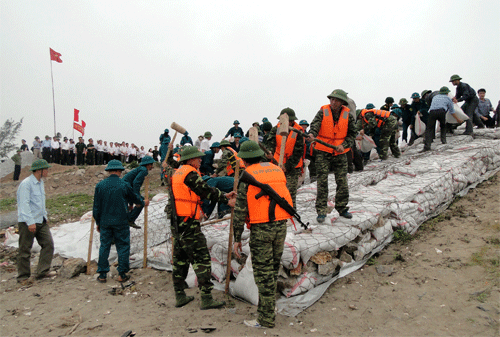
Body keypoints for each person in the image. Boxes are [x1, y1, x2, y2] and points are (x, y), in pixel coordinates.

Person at [232, 140, 292, 328]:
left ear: (245, 159)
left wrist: (236, 238)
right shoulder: (276, 169)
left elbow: (240, 210)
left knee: (263, 274)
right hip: (281, 226)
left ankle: (265, 319)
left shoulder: (248, 176)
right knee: (272, 269)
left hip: (262, 229)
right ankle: (269, 307)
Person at [169, 146, 236, 309]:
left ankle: (180, 295)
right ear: (190, 159)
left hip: (177, 222)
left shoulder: (177, 173)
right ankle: (206, 298)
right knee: (202, 259)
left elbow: (198, 192)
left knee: (180, 260)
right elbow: (205, 191)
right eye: (198, 158)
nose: (201, 160)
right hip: (188, 223)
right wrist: (226, 201)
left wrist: (222, 194)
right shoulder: (189, 173)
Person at [308, 89, 356, 222]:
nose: (333, 102)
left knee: (342, 182)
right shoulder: (323, 112)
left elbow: (352, 134)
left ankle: (342, 208)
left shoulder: (348, 116)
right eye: (332, 99)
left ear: (342, 102)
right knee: (322, 182)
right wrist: (312, 134)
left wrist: (344, 145)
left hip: (340, 153)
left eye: (336, 100)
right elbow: (315, 125)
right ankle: (321, 211)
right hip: (323, 152)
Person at [93, 160, 144, 283]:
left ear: (109, 171)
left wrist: (98, 222)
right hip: (121, 222)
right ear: (118, 171)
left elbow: (96, 207)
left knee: (104, 246)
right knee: (122, 246)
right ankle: (122, 274)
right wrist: (142, 202)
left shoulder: (100, 186)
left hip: (105, 222)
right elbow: (135, 198)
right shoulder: (124, 185)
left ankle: (102, 274)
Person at [16, 159, 54, 283]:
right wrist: (30, 222)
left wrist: (45, 217)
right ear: (39, 170)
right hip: (28, 222)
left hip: (41, 220)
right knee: (25, 249)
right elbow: (24, 204)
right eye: (46, 169)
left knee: (48, 244)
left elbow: (40, 203)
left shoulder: (40, 183)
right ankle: (23, 277)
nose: (47, 171)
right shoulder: (26, 184)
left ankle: (42, 272)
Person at [266, 108, 305, 208]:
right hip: (277, 164)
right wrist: (269, 152)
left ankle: (291, 212)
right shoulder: (276, 129)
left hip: (293, 165)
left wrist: (287, 166)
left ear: (292, 121)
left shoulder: (298, 131)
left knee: (290, 191)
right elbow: (271, 143)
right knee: (276, 190)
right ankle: (278, 212)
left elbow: (298, 152)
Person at [421, 86, 463, 152]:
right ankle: (443, 141)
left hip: (432, 112)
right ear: (447, 93)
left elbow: (430, 104)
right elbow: (452, 112)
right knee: (443, 126)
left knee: (429, 129)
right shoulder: (448, 98)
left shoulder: (435, 96)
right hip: (441, 112)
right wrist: (458, 119)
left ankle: (427, 146)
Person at [122, 156, 154, 228]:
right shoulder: (144, 170)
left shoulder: (140, 169)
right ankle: (130, 220)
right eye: (151, 164)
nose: (152, 166)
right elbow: (136, 183)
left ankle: (126, 220)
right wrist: (137, 198)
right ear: (148, 164)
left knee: (128, 207)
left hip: (124, 188)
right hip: (126, 189)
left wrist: (131, 203)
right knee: (141, 202)